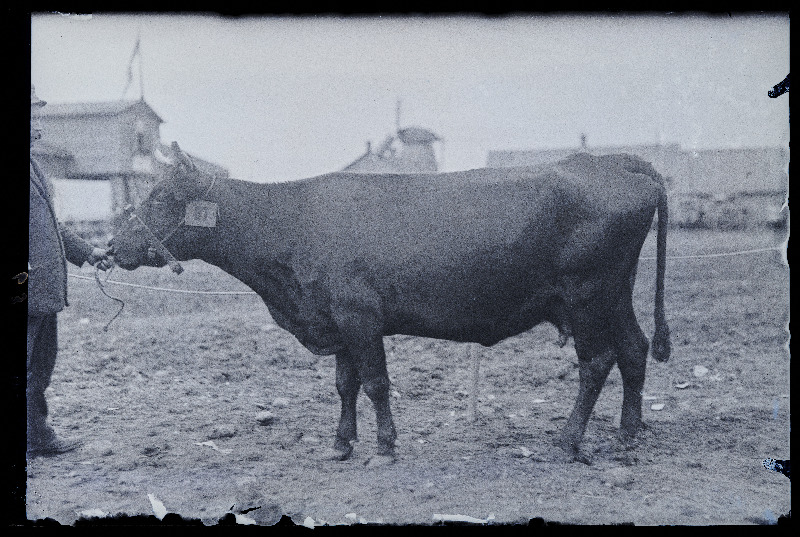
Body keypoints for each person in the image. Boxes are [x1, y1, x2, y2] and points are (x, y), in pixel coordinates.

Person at [28, 84, 113, 457]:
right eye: (32, 115)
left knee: (39, 368)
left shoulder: (34, 164)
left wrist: (89, 252)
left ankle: (35, 436)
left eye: (38, 115)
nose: (38, 124)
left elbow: (53, 228)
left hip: (43, 291)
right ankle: (35, 438)